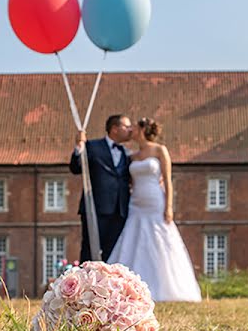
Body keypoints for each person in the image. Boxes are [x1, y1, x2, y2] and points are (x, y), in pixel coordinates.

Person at [106, 117, 202, 301]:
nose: (131, 130)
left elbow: (167, 180)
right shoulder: (131, 156)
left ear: (142, 129)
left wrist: (169, 207)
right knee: (133, 240)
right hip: (136, 202)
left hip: (155, 201)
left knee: (160, 241)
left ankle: (166, 288)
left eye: (134, 127)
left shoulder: (160, 150)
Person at [69, 114, 133, 262]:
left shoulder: (126, 153)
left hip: (120, 210)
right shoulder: (93, 146)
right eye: (127, 126)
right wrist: (79, 146)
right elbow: (76, 167)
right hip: (96, 207)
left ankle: (106, 283)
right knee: (90, 249)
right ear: (115, 129)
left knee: (113, 252)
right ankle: (87, 282)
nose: (130, 130)